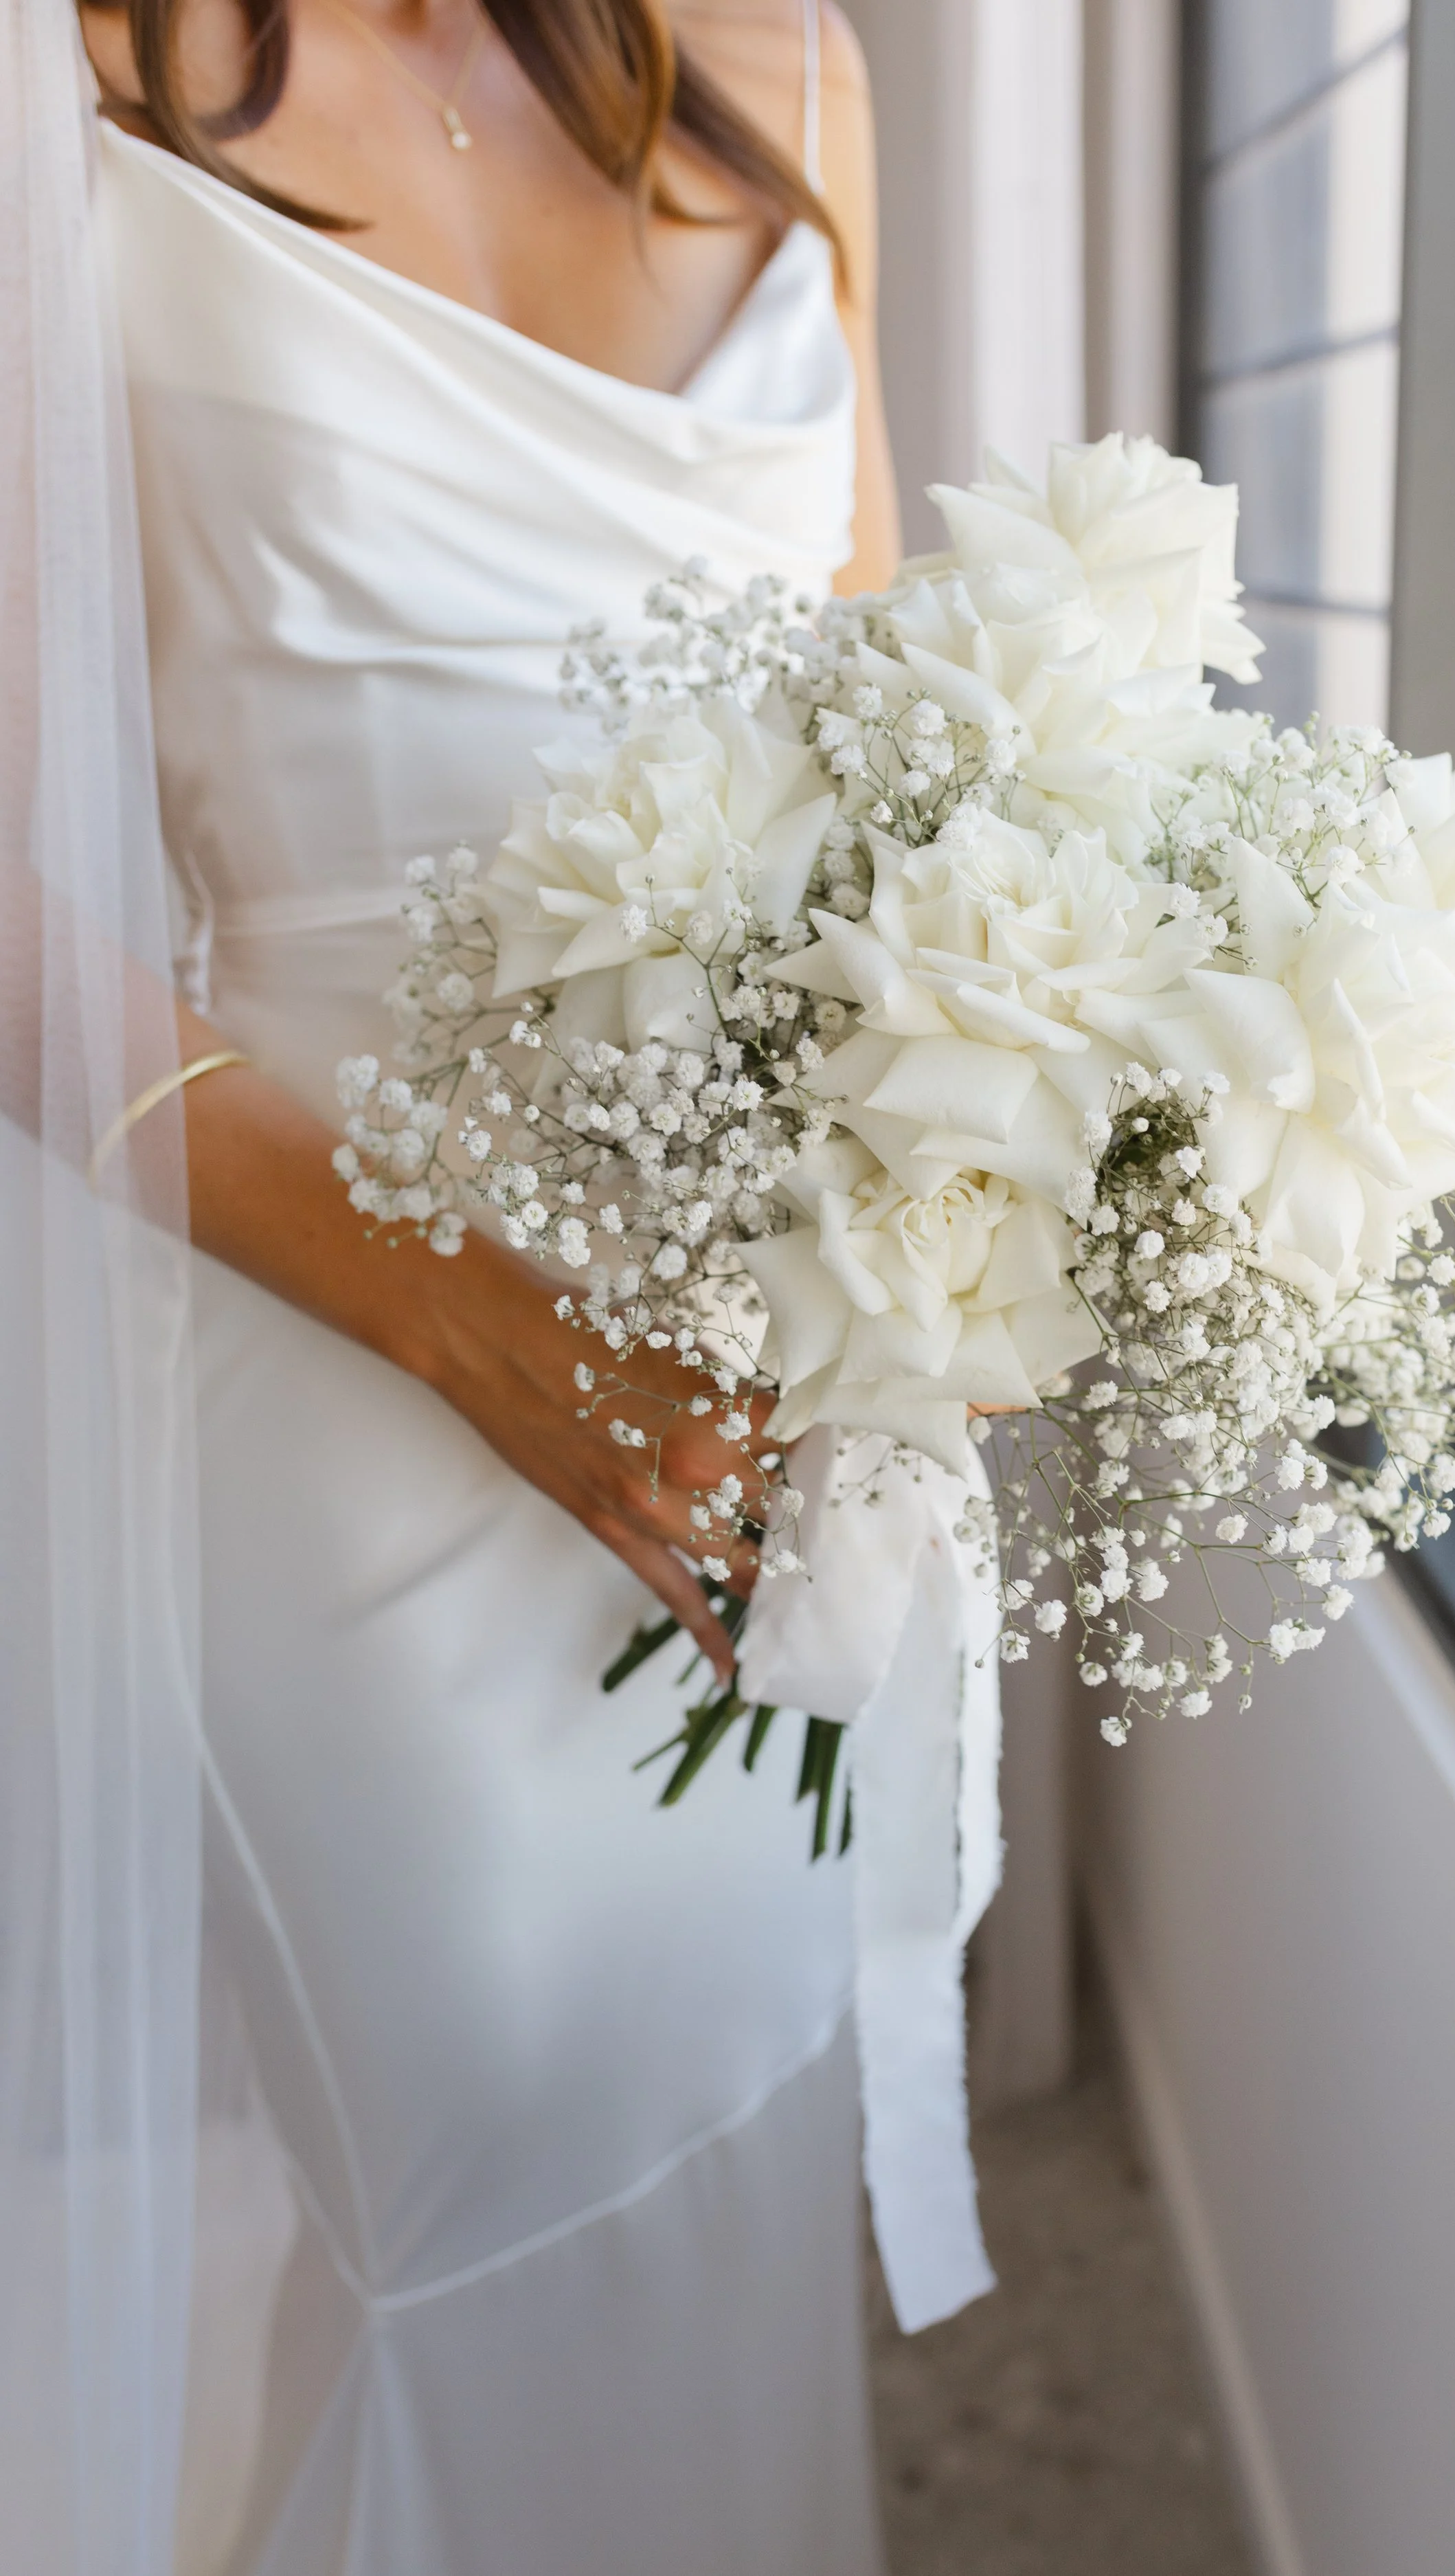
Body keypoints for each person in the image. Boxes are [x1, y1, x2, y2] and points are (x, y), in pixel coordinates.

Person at [71, 0, 899, 2565]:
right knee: (486, 2180)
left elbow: (893, 712)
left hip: (783, 1372)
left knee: (733, 2128)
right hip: (342, 1369)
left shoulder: (788, 60)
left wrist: (970, 1206)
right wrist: (458, 1308)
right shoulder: (58, 87)